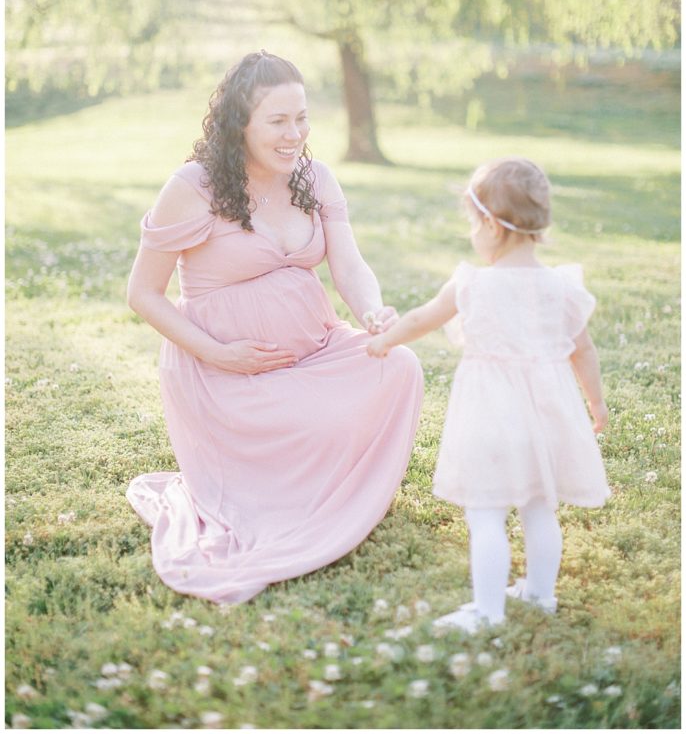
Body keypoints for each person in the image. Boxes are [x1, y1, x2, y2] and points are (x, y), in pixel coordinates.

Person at [126, 51, 423, 604]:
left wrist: (373, 315)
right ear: (241, 121)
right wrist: (218, 354)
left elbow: (349, 263)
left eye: (302, 118)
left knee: (399, 365)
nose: (295, 135)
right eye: (278, 121)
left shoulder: (313, 176)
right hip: (225, 371)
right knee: (316, 419)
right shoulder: (195, 187)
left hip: (315, 348)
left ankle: (330, 486)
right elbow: (142, 294)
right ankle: (287, 487)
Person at [367, 157, 609, 633]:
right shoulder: (560, 286)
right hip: (547, 417)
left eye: (472, 224)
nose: (471, 235)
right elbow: (584, 351)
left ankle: (487, 612)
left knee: (486, 514)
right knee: (541, 506)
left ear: (492, 228)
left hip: (491, 417)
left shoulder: (472, 283)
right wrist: (595, 403)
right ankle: (540, 595)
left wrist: (384, 339)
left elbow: (420, 319)